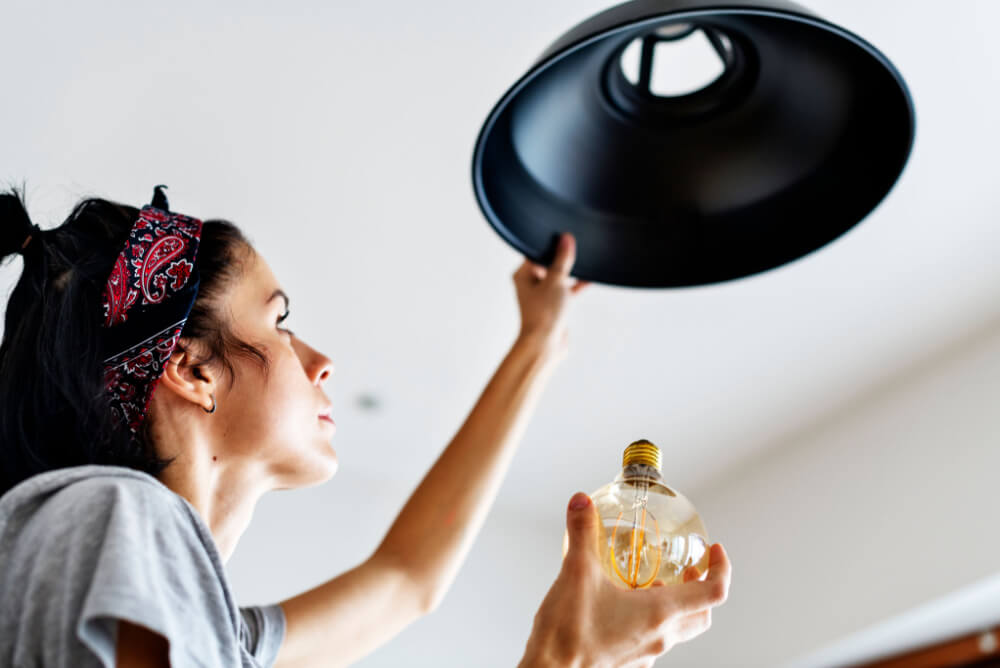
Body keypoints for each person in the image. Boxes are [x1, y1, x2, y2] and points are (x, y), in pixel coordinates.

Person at [0, 185, 731, 667]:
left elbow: (406, 579)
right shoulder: (116, 516)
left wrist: (536, 346)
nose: (320, 361)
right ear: (191, 370)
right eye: (281, 323)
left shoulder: (213, 635)